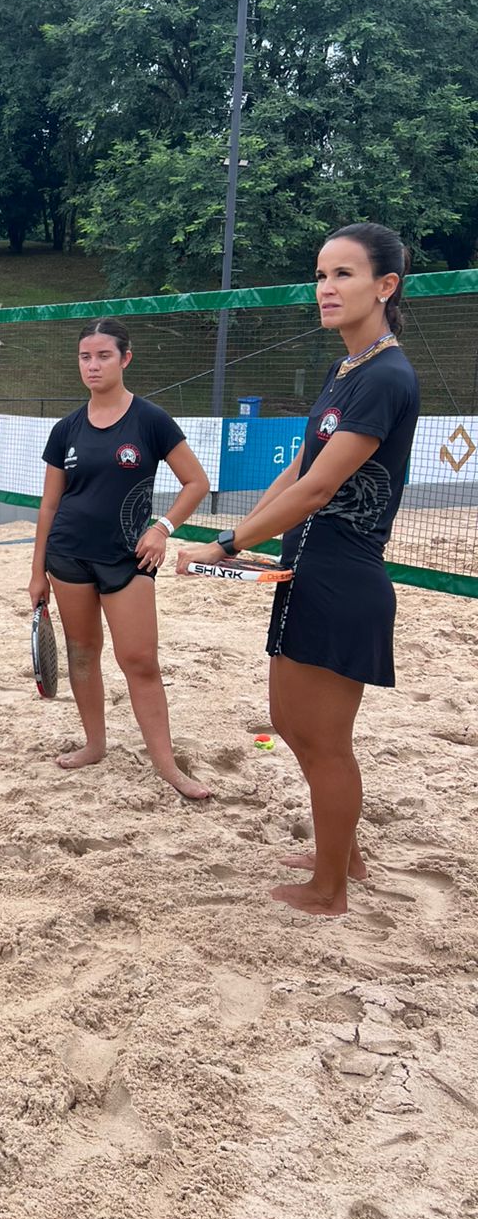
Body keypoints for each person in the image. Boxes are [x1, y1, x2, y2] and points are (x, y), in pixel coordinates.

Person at [178, 223, 420, 916]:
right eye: (320, 275)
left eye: (344, 274)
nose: (326, 288)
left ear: (385, 285)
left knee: (325, 741)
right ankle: (344, 854)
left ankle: (330, 889)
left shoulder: (386, 376)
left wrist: (225, 545)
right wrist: (247, 532)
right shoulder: (347, 370)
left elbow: (317, 491)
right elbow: (299, 471)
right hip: (306, 569)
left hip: (343, 578)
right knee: (289, 724)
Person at [28, 318, 212, 799]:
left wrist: (162, 528)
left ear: (125, 358)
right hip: (68, 556)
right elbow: (49, 505)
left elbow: (197, 483)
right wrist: (36, 572)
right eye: (85, 357)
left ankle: (168, 766)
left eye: (103, 356)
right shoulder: (66, 428)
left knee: (140, 661)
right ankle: (94, 744)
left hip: (128, 559)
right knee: (82, 653)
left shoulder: (150, 420)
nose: (93, 365)